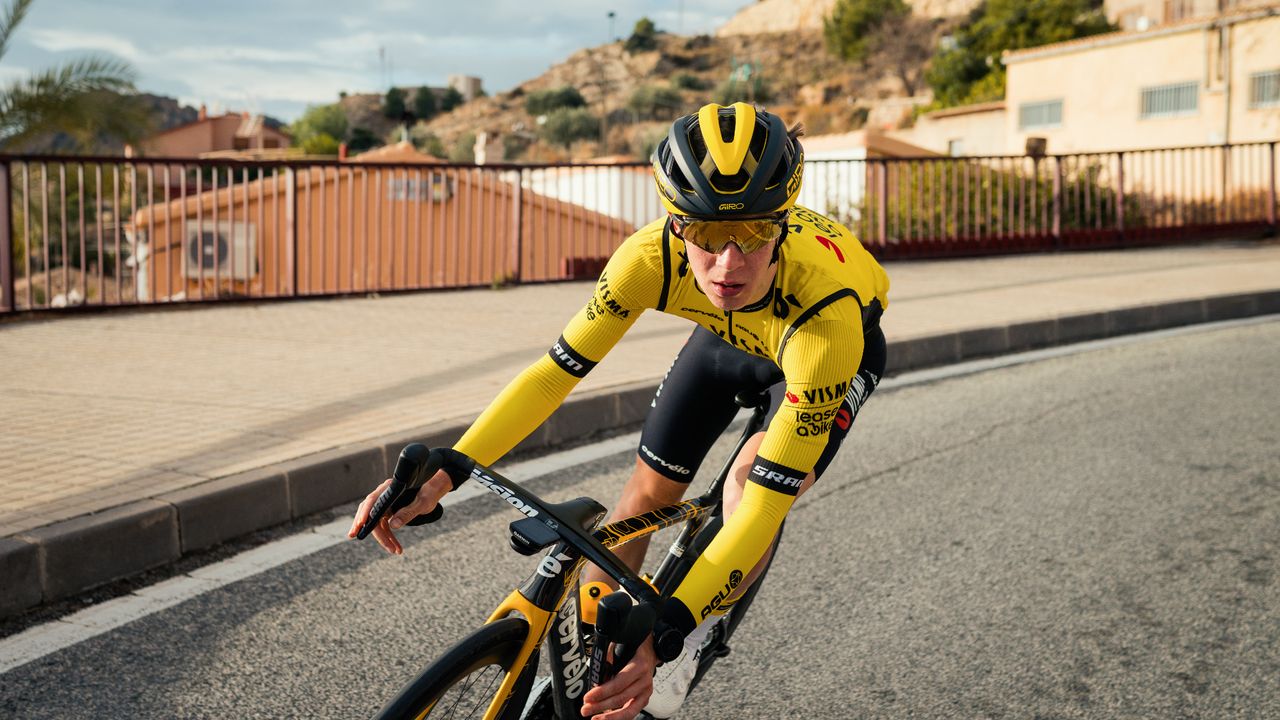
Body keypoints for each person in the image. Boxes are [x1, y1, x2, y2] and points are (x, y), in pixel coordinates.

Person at [349, 102, 890, 719]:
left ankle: (684, 652)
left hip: (820, 346)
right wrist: (450, 467)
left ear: (783, 221)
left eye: (757, 233)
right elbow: (554, 374)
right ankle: (591, 663)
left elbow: (766, 507)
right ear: (677, 224)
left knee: (749, 485)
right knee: (647, 495)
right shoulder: (647, 257)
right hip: (729, 336)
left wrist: (668, 633)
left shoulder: (830, 313)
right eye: (707, 235)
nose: (729, 262)